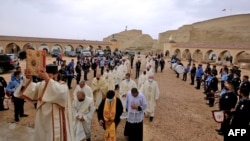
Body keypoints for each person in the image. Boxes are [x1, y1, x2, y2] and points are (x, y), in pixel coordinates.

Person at [22, 64, 75, 141]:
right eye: (46, 76)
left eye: (49, 76)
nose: (47, 78)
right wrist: (28, 78)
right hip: (42, 119)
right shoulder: (41, 84)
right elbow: (32, 91)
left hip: (54, 120)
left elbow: (61, 94)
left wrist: (47, 79)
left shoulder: (62, 85)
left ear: (56, 75)